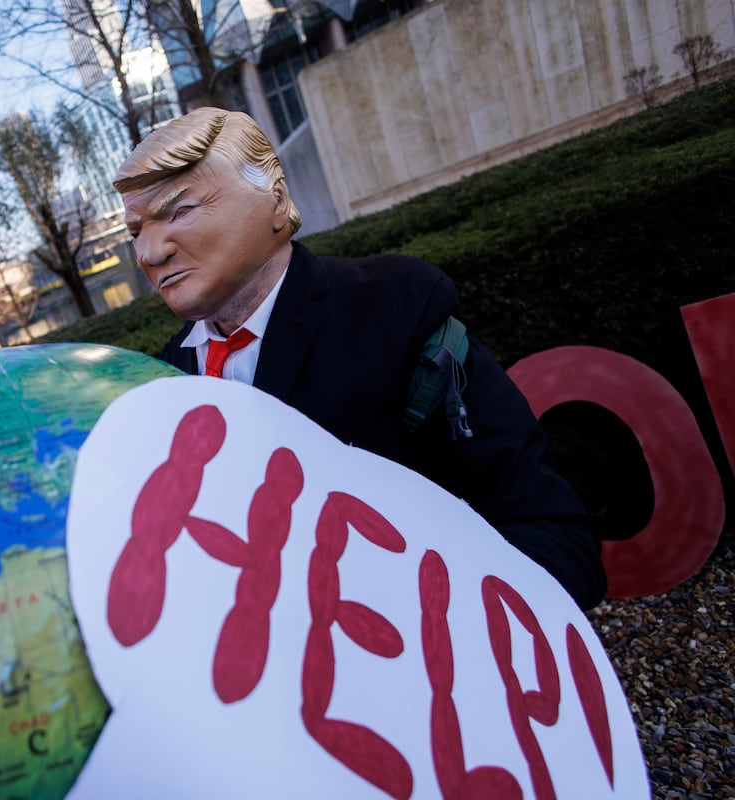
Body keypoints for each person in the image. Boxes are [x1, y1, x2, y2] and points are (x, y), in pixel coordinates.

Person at [112, 107, 606, 610]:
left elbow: (553, 538)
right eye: (135, 232)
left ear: (276, 201)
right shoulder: (164, 381)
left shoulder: (396, 312)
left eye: (180, 210)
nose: (151, 252)